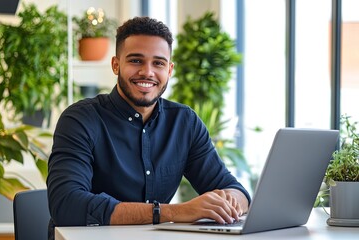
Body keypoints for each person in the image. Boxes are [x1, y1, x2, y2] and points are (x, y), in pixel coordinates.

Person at [46, 16, 251, 239]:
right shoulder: (80, 119)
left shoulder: (185, 122)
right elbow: (67, 205)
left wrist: (229, 202)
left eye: (159, 63)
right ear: (116, 65)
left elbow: (235, 190)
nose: (148, 72)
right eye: (136, 61)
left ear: (170, 70)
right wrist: (173, 212)